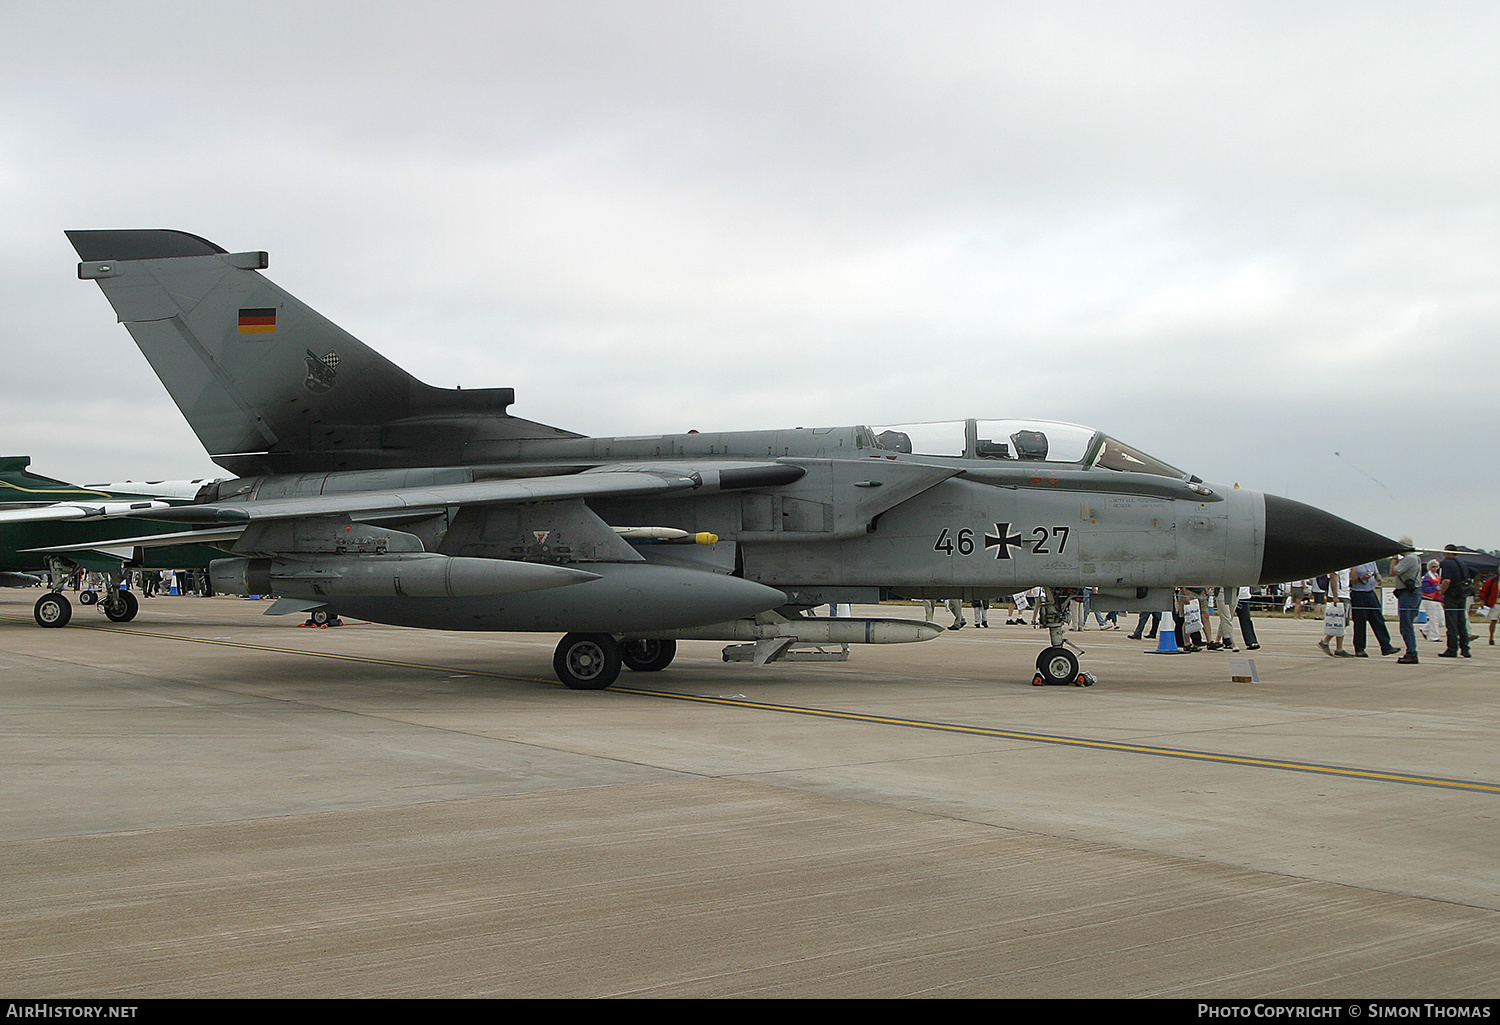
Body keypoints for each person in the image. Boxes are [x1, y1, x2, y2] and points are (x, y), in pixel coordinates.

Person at [1348, 561, 1399, 657]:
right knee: (1360, 622)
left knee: (1378, 620)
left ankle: (1386, 646)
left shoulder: (1371, 561)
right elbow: (1350, 581)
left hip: (1370, 593)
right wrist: (1361, 578)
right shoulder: (1354, 564)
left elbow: (1376, 573)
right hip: (1358, 594)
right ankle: (1360, 649)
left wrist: (1379, 579)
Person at [1388, 539, 1423, 664]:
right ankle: (1411, 651)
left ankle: (1412, 652)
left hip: (1408, 594)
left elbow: (1393, 571)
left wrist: (1394, 559)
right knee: (1407, 624)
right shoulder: (1415, 558)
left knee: (1406, 625)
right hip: (1411, 593)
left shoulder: (1409, 559)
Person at [1437, 546, 1473, 658]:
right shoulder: (1462, 563)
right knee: (1461, 622)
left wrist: (1442, 592)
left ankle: (1452, 648)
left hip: (1452, 596)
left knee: (1451, 623)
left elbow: (1447, 580)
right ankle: (1465, 648)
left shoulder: (1447, 564)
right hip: (1462, 595)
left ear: (1449, 553)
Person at [1319, 567, 1352, 657]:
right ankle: (1326, 642)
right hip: (1340, 595)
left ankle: (1339, 648)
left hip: (1345, 593)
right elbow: (1333, 577)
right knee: (1341, 622)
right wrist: (1335, 596)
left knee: (1341, 623)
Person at [1419, 560, 1445, 642]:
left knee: (1441, 620)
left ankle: (1425, 629)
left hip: (1438, 599)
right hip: (1429, 599)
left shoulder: (1438, 577)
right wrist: (1435, 588)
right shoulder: (1427, 577)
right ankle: (1434, 637)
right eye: (1433, 566)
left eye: (1436, 566)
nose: (1435, 568)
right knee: (1433, 618)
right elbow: (1425, 589)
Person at [1479, 572, 1498, 646]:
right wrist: (1482, 599)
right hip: (1495, 603)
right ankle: (1491, 637)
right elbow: (1484, 590)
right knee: (1493, 620)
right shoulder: (1492, 580)